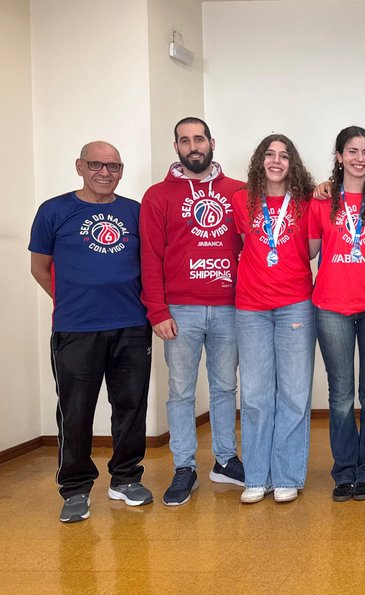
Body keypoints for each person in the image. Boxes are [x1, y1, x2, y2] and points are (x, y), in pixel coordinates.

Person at [30, 141, 153, 522]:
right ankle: (75, 488)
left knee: (131, 407)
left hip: (132, 326)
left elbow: (149, 264)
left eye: (113, 166)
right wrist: (73, 300)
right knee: (76, 411)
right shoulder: (54, 211)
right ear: (80, 166)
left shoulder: (134, 212)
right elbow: (39, 268)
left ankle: (126, 478)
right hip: (76, 329)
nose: (105, 173)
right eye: (97, 165)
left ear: (121, 171)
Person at [140, 117, 246, 507]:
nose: (193, 146)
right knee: (181, 392)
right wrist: (157, 310)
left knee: (225, 388)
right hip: (180, 310)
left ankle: (226, 460)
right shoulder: (157, 196)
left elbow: (256, 244)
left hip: (229, 307)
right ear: (176, 147)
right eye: (184, 140)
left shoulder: (238, 191)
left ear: (212, 142)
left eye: (199, 139)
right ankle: (184, 466)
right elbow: (150, 257)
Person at [308, 126, 365, 503]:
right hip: (331, 306)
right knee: (341, 394)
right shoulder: (321, 201)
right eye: (352, 151)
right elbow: (309, 252)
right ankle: (344, 471)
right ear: (339, 156)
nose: (360, 158)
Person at [232, 134, 317, 504]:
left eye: (284, 156)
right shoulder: (242, 200)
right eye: (270, 154)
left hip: (295, 303)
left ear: (292, 163)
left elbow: (311, 251)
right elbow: (242, 243)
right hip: (251, 307)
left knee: (294, 394)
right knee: (254, 395)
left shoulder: (307, 202)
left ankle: (286, 475)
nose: (276, 161)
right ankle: (256, 476)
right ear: (260, 161)